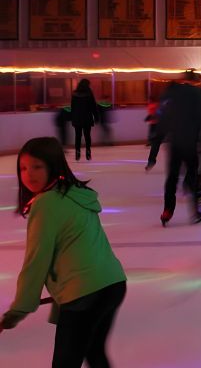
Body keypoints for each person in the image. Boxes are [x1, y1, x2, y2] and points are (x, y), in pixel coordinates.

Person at [1, 137, 126, 367]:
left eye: (37, 167)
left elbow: (36, 262)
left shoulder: (46, 204)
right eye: (23, 168)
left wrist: (16, 312)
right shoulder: (75, 193)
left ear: (53, 166)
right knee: (95, 353)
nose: (29, 174)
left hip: (84, 293)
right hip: (113, 284)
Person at [159, 71, 201, 226]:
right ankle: (194, 212)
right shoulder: (196, 94)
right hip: (190, 142)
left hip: (175, 142)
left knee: (172, 177)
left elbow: (163, 115)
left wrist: (163, 134)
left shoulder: (172, 95)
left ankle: (167, 210)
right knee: (192, 174)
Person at [70, 79, 99, 161]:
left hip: (77, 118)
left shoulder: (75, 94)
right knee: (87, 136)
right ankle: (88, 151)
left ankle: (77, 152)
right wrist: (96, 117)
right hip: (87, 118)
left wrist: (72, 117)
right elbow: (93, 106)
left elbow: (72, 107)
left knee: (78, 136)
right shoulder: (89, 94)